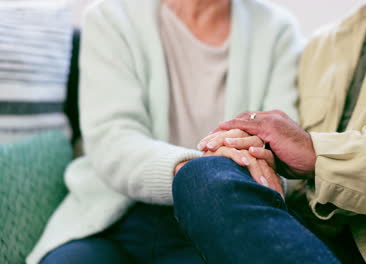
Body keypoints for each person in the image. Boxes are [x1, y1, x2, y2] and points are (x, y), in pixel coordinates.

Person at [173, 0, 366, 263]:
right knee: (202, 174)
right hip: (307, 234)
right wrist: (242, 149)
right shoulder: (320, 45)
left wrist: (317, 153)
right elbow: (284, 151)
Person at [26, 0, 309, 263]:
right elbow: (112, 139)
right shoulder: (111, 16)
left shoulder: (278, 30)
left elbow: (277, 141)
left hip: (220, 221)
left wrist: (218, 174)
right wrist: (201, 169)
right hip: (114, 216)